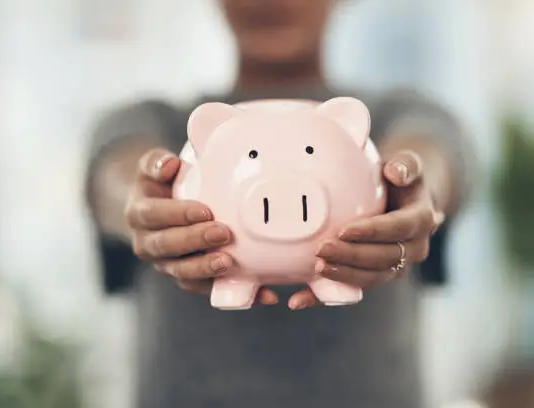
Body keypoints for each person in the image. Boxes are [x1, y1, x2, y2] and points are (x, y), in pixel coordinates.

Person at [85, 0, 473, 407]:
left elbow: (433, 155)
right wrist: (142, 201)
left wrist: (406, 186)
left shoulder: (396, 116)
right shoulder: (156, 124)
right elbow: (115, 171)